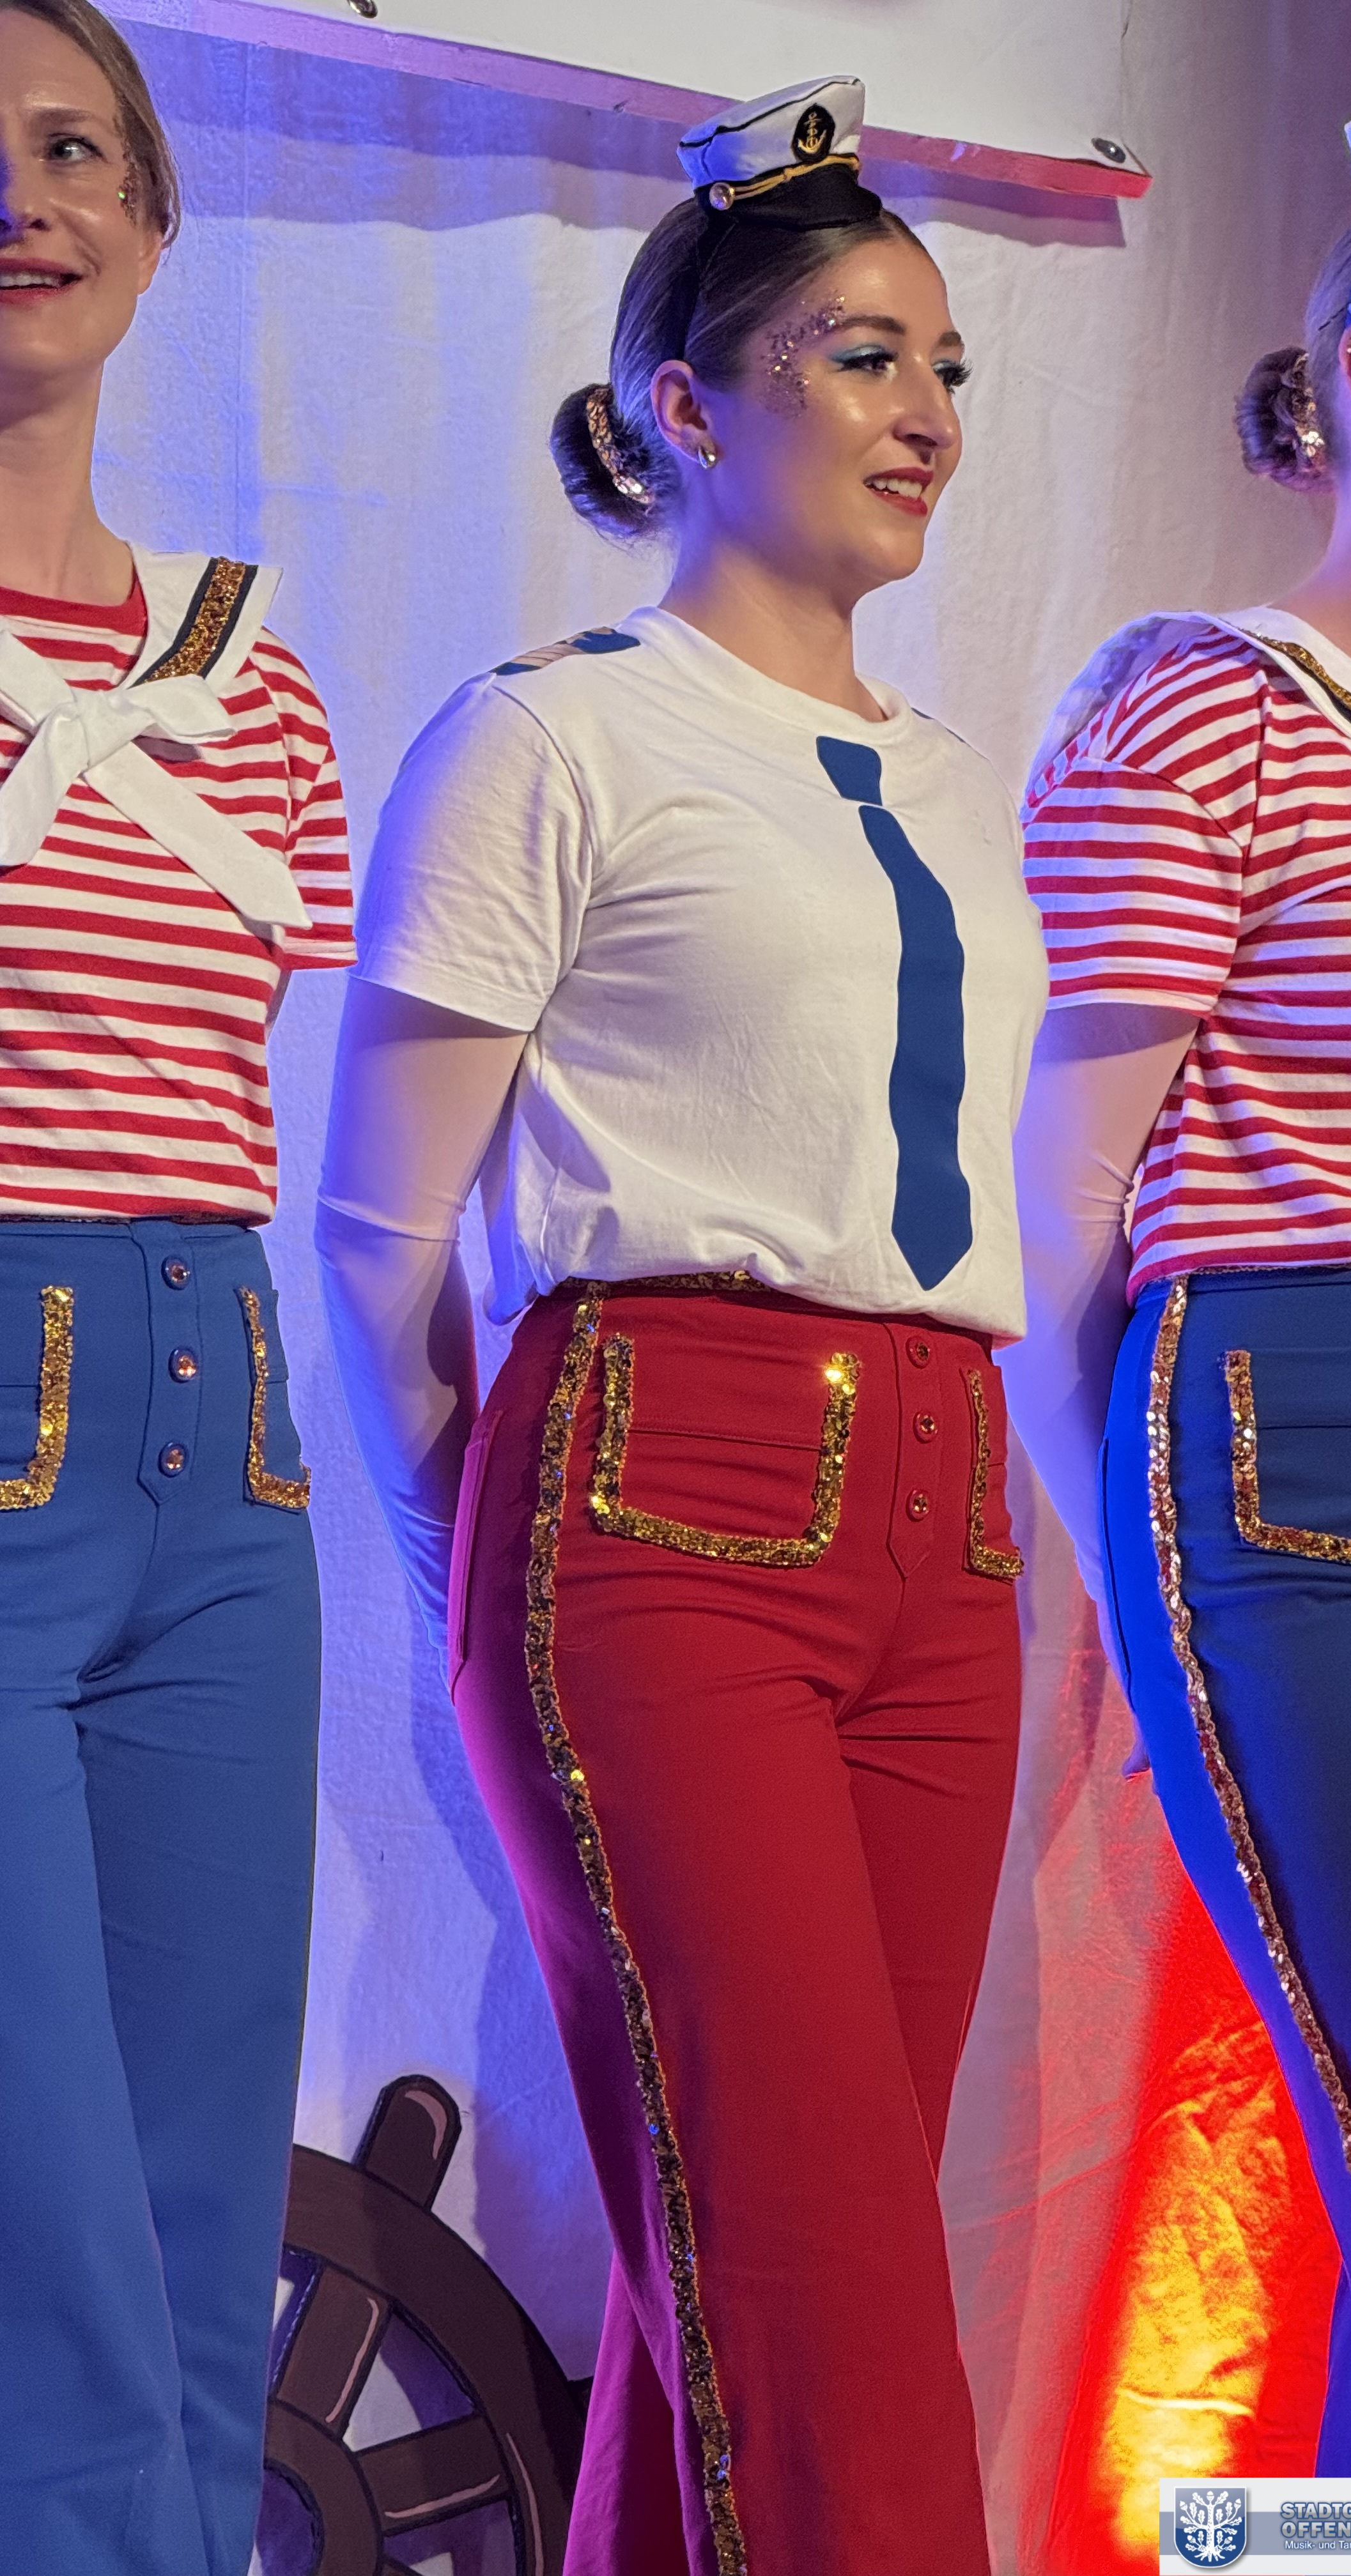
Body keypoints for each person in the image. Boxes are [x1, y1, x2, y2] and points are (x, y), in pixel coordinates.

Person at [318, 74, 1046, 2576]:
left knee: (736, 2298)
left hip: (951, 1527)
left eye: (947, 367)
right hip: (656, 1495)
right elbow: (375, 1230)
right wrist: (479, 1552)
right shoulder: (554, 734)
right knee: (821, 2313)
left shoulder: (960, 782)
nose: (926, 416)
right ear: (688, 408)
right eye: (861, 355)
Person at [1003, 82, 1351, 2483]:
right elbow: (1064, 1189)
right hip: (1302, 1458)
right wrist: (1119, 1567)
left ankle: (1281, 2552)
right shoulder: (1209, 704)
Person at [0, 3, 353, 2566]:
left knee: (201, 2198)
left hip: (222, 1430)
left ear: (149, 218)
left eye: (71, 148)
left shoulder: (260, 678)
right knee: (45, 2236)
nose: (24, 197)